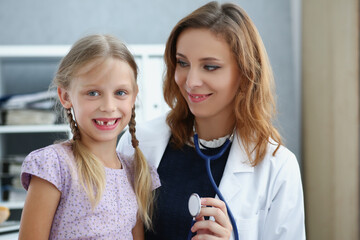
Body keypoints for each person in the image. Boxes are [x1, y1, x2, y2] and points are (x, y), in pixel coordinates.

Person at [117, 1, 305, 240]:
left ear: (245, 74)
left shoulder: (278, 167)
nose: (191, 81)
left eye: (210, 66)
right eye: (183, 63)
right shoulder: (137, 143)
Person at [18, 34, 160, 240]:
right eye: (93, 93)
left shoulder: (136, 172)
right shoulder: (54, 166)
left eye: (120, 92)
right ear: (66, 96)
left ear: (133, 97)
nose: (108, 107)